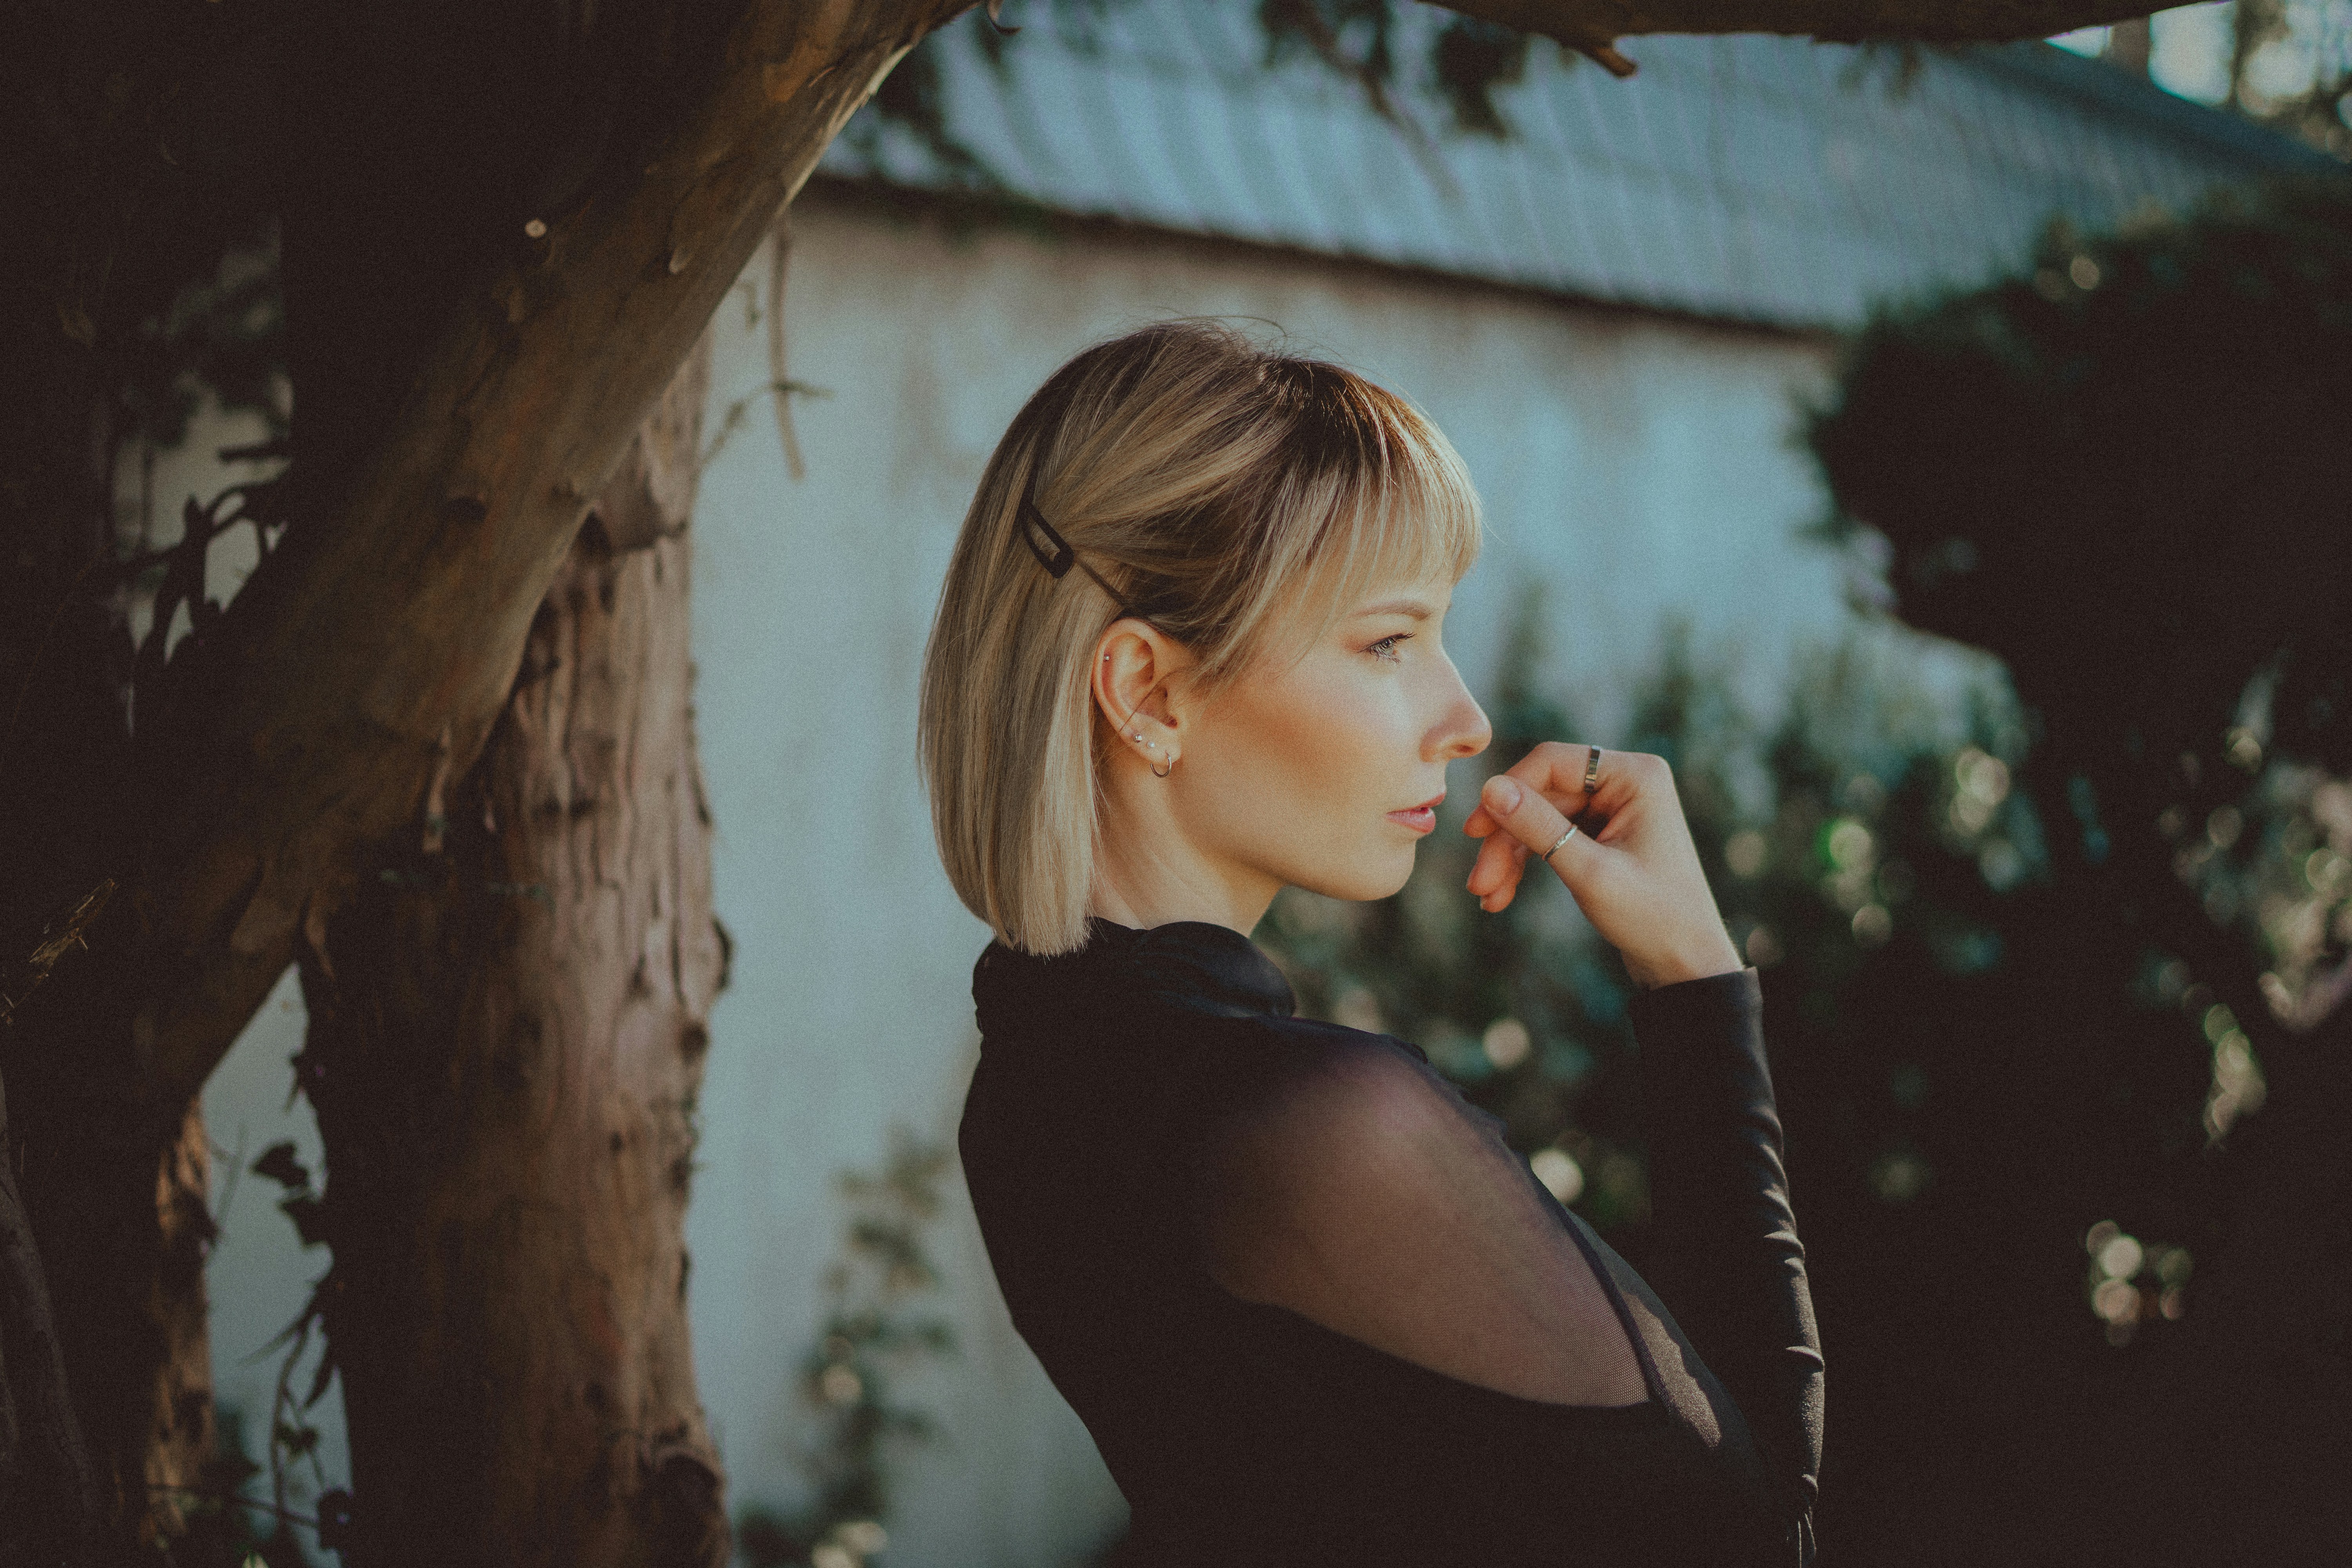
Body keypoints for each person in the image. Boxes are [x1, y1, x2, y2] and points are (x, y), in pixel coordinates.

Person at [922, 321, 1821, 1566]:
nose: (1467, 719)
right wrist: (1696, 982)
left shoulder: (1032, 1082)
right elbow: (1757, 1535)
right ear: (1147, 694)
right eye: (1389, 642)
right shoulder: (1322, 1129)